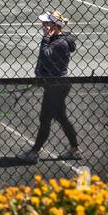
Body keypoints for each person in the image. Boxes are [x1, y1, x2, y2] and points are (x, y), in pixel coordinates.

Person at [23, 9, 80, 163]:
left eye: (46, 23)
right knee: (61, 118)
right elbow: (45, 62)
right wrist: (40, 76)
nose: (43, 25)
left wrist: (46, 38)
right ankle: (74, 149)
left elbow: (45, 55)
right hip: (54, 84)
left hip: (56, 86)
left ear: (54, 26)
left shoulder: (59, 42)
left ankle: (34, 152)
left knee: (45, 118)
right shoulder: (56, 39)